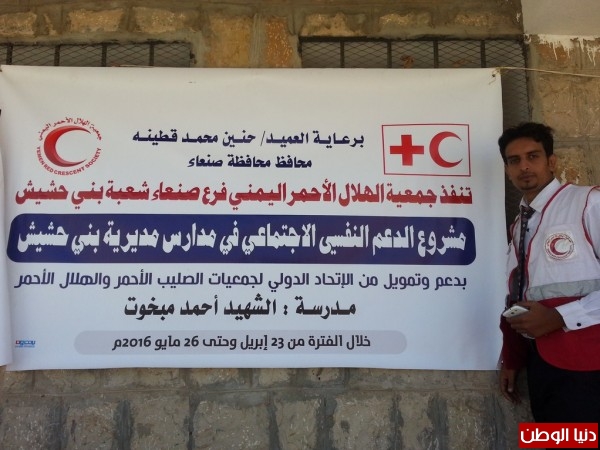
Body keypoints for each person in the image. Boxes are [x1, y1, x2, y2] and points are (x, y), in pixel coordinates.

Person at [497, 122, 600, 423]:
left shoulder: (588, 202)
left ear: (551, 161)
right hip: (541, 364)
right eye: (514, 160)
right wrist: (512, 357)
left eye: (533, 156)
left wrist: (560, 317)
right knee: (551, 440)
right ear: (507, 169)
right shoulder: (519, 225)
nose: (524, 167)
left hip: (588, 364)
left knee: (583, 442)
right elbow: (518, 294)